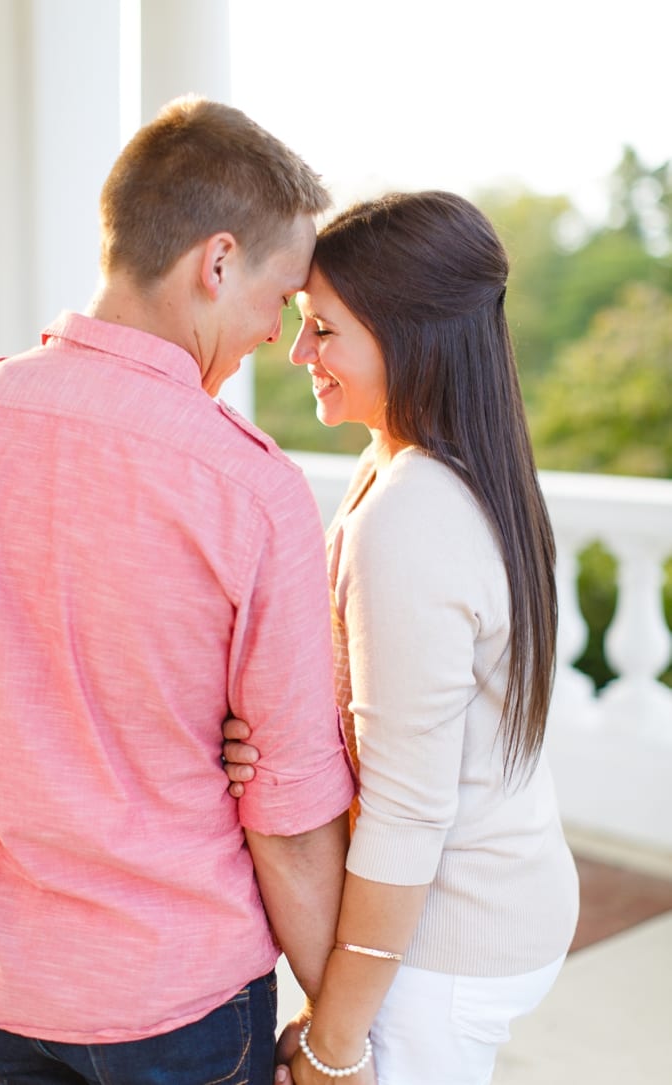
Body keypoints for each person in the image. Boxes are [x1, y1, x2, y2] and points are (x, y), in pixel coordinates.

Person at [0, 95, 357, 1085]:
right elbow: (292, 818)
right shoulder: (253, 488)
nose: (277, 333)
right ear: (216, 262)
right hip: (179, 1003)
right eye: (281, 294)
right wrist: (339, 1032)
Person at [222, 190, 580, 1085]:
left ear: (406, 333)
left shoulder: (414, 511)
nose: (296, 349)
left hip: (446, 942)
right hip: (494, 898)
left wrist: (332, 1037)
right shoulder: (432, 463)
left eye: (324, 329)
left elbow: (408, 809)